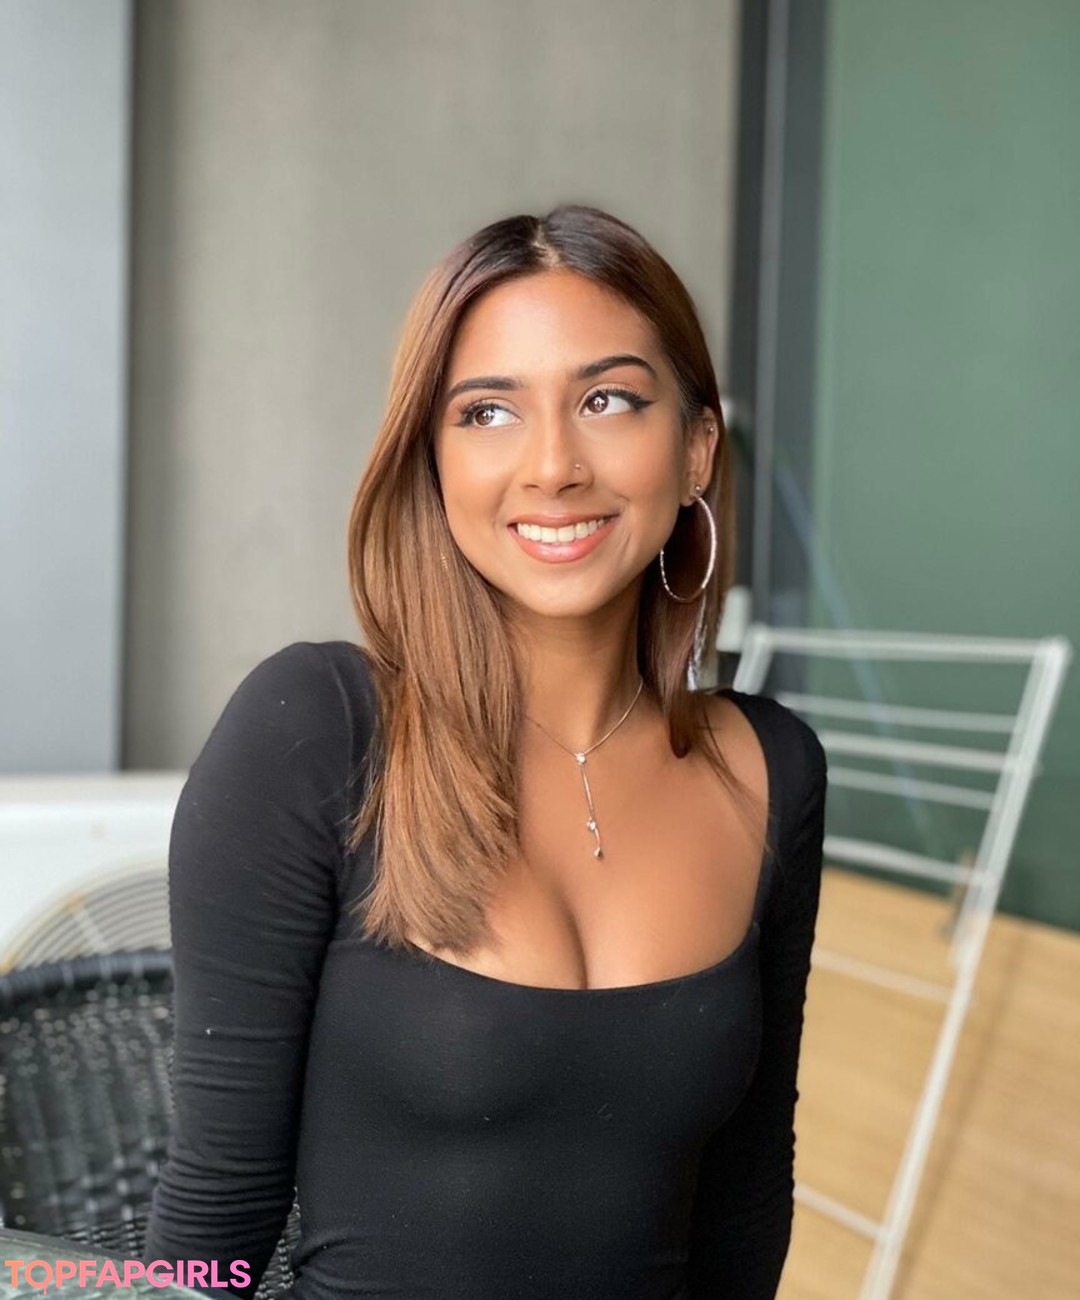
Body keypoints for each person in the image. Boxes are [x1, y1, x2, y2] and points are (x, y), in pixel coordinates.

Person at [142, 205, 827, 1300]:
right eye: (488, 411)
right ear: (433, 458)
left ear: (698, 445)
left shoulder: (770, 768)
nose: (552, 466)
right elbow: (210, 1226)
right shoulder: (317, 731)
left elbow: (745, 1208)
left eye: (608, 399)